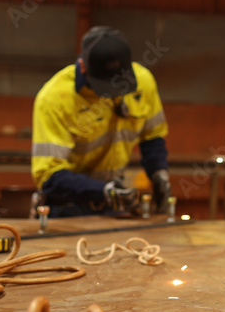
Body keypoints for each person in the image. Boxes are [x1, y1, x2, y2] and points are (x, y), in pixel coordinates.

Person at [31, 26, 171, 217]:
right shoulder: (54, 99)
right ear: (82, 67)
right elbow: (48, 175)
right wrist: (102, 190)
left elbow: (152, 136)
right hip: (68, 207)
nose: (113, 94)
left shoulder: (143, 83)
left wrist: (159, 173)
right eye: (106, 88)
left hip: (114, 205)